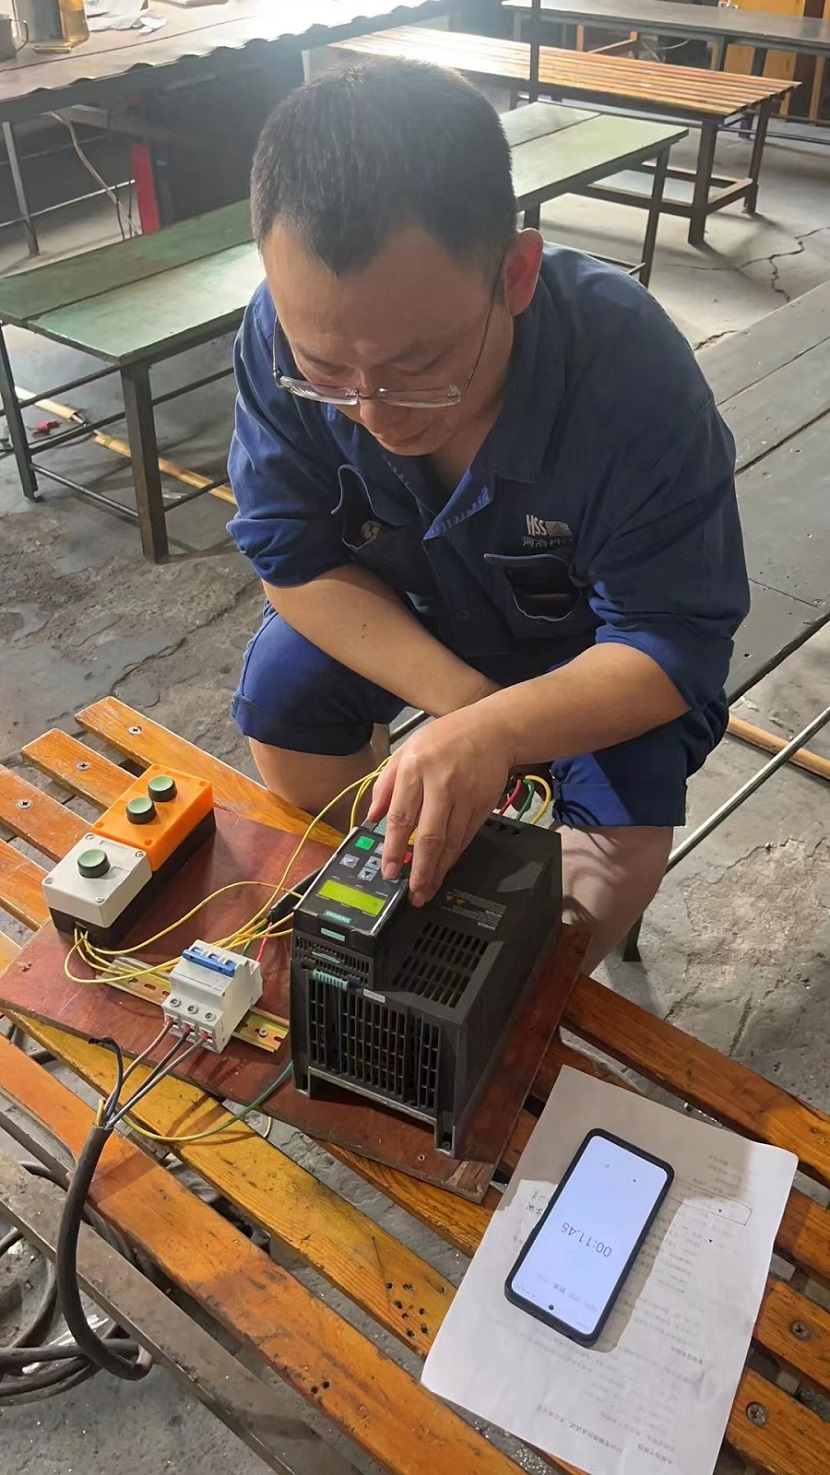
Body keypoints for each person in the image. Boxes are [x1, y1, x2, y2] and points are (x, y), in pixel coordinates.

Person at [227, 58, 749, 974]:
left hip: (592, 656)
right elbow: (291, 557)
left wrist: (501, 733)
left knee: (607, 845)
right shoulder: (281, 331)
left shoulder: (628, 374)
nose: (374, 412)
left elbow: (672, 639)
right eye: (327, 371)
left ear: (515, 273)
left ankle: (523, 998)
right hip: (422, 615)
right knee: (283, 690)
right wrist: (470, 711)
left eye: (420, 365)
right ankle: (377, 925)